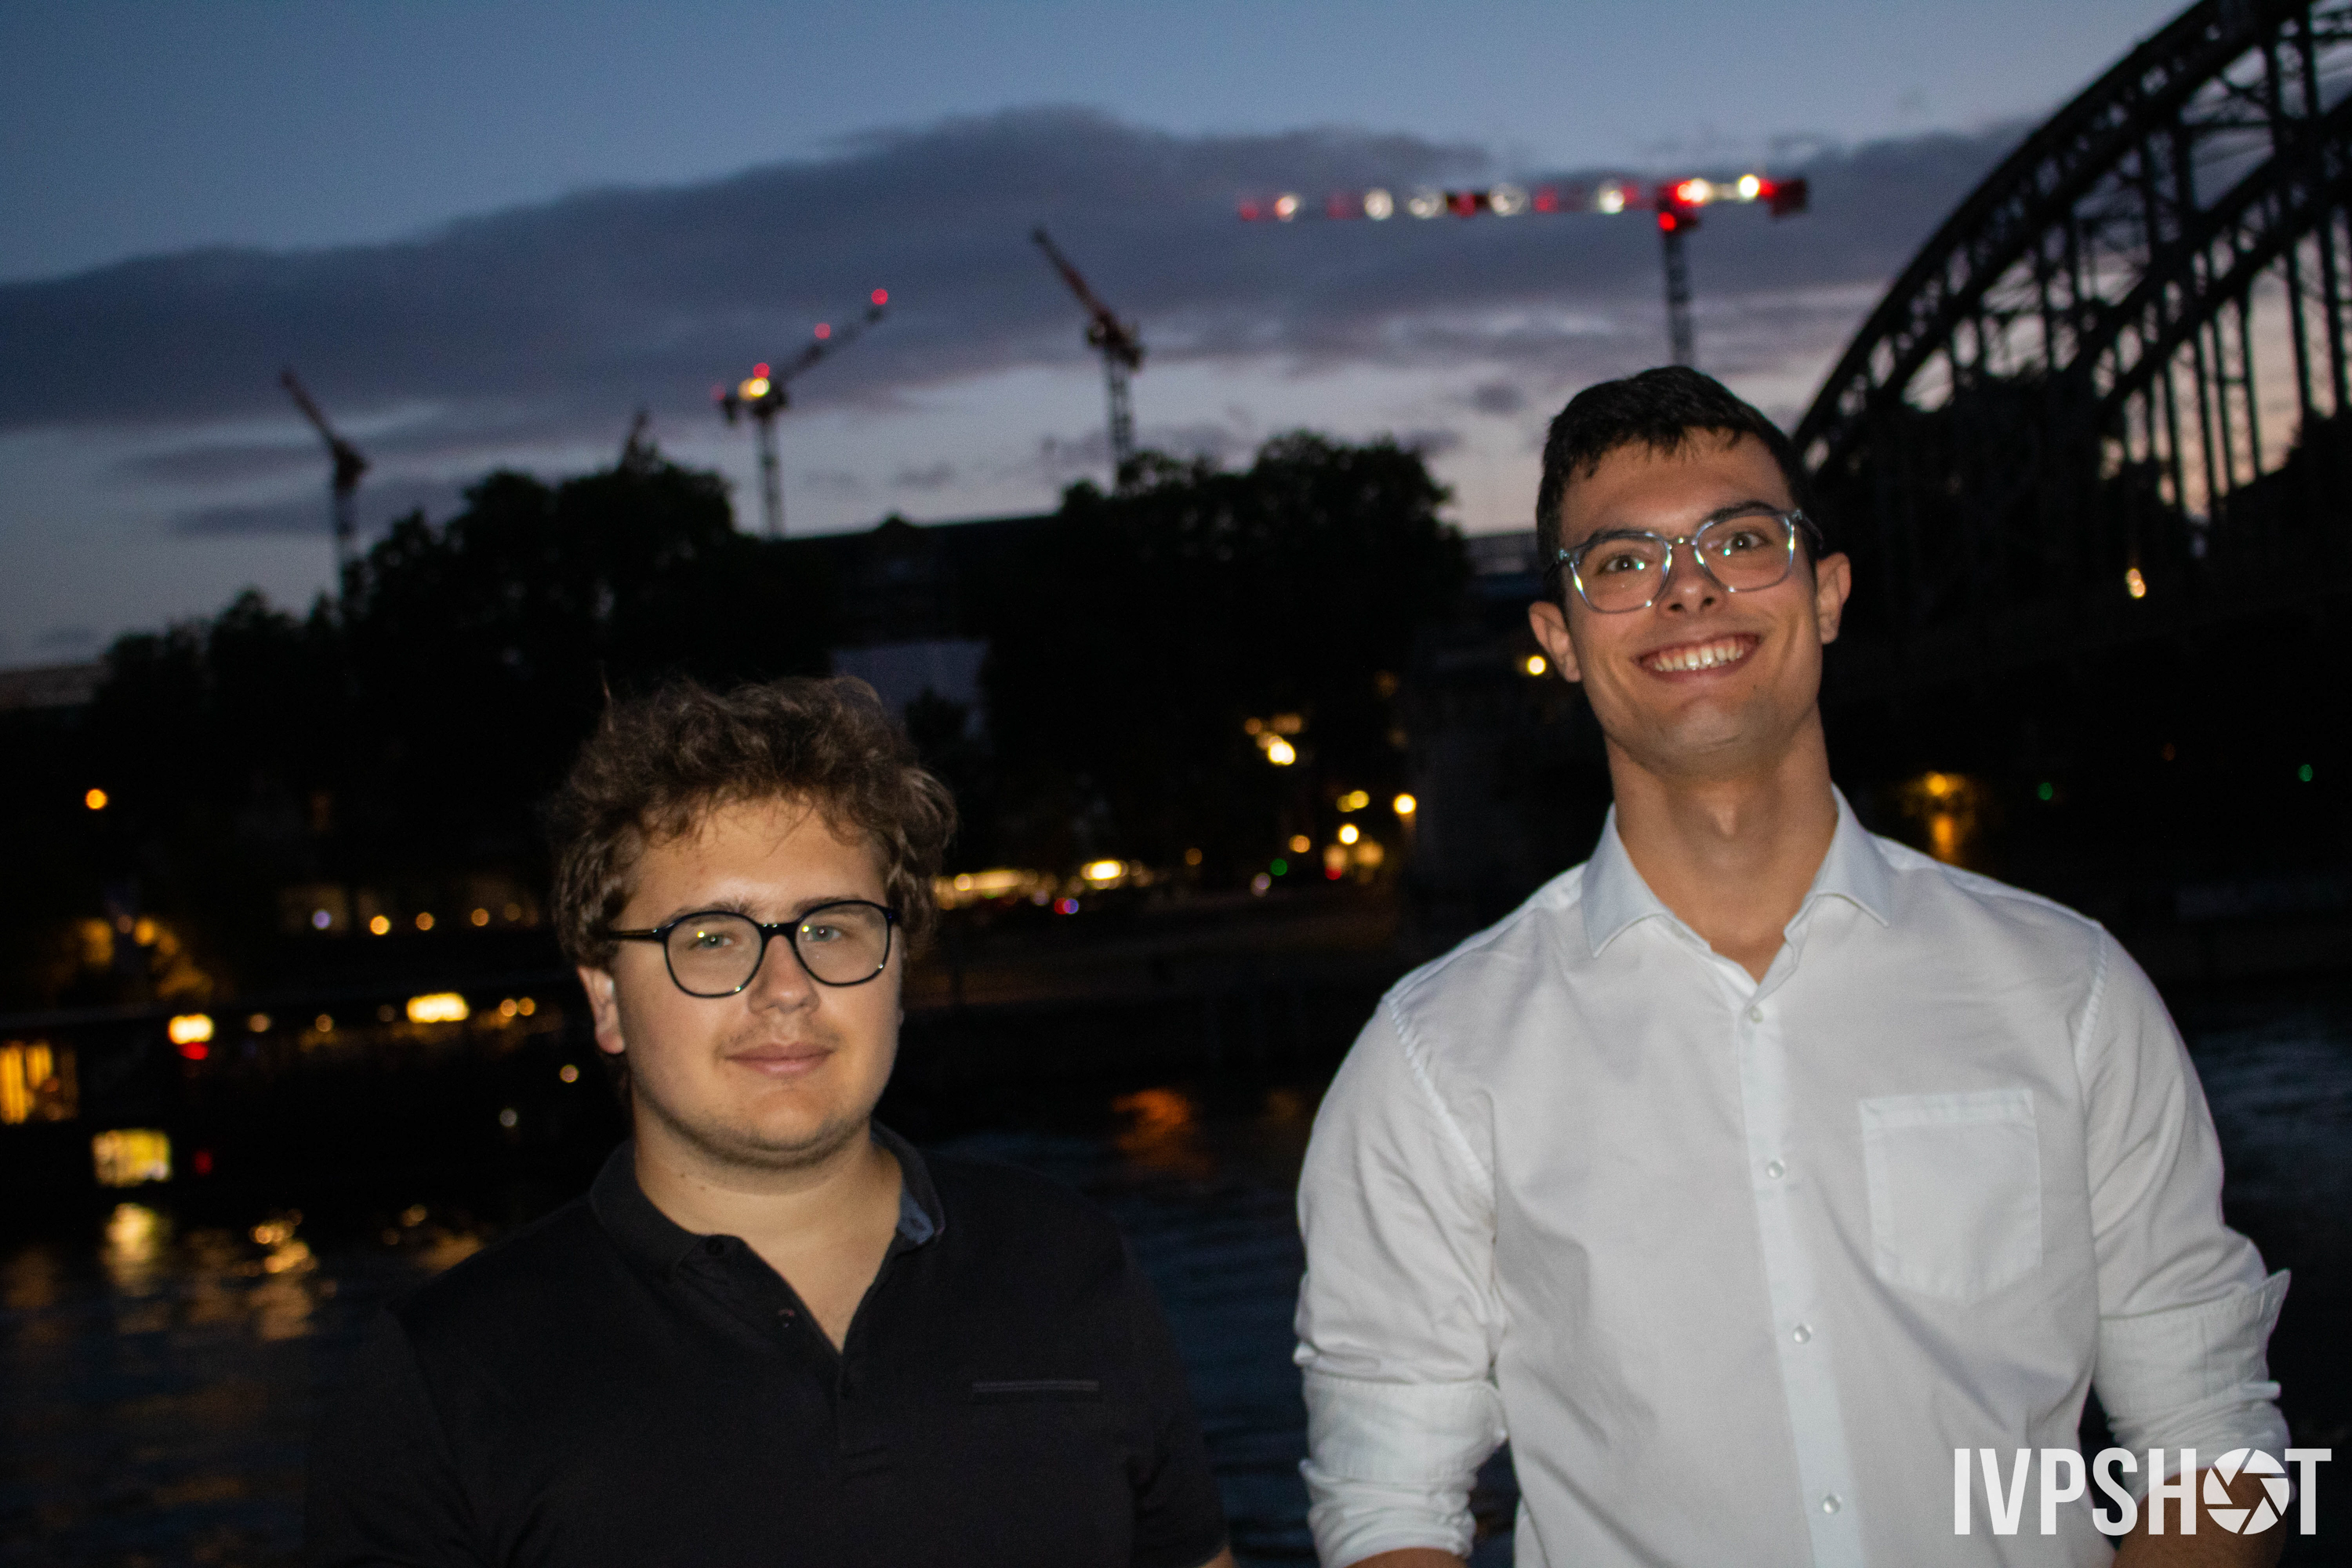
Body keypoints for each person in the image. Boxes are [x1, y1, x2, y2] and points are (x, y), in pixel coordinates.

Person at [1293, 368, 2293, 1566]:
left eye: (1741, 541)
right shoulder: (1434, 1059)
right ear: (1559, 640)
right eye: (1623, 561)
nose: (1689, 589)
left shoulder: (2068, 990)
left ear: (1827, 594)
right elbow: (1388, 1502)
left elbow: (2215, 1437)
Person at [307, 677, 1233, 1568]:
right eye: (712, 938)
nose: (785, 986)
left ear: (899, 973)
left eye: (831, 927)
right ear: (606, 998)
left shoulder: (1070, 1265)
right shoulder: (445, 1374)